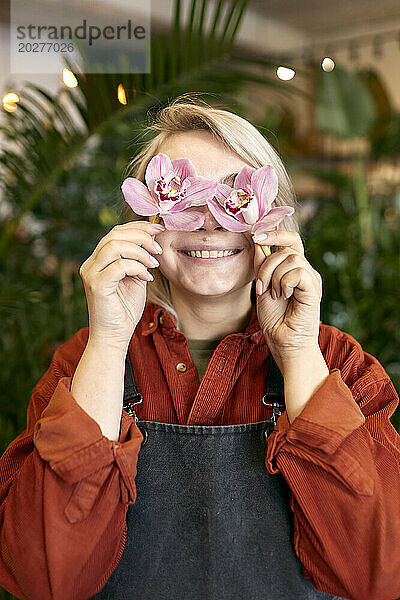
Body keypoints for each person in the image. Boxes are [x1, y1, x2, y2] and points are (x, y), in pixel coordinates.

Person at [0, 97, 399, 600]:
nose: (211, 222)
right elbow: (44, 579)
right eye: (183, 198)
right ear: (143, 220)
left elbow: (379, 574)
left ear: (272, 219)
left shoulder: (339, 366)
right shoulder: (82, 363)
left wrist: (298, 353)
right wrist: (107, 341)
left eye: (236, 195)